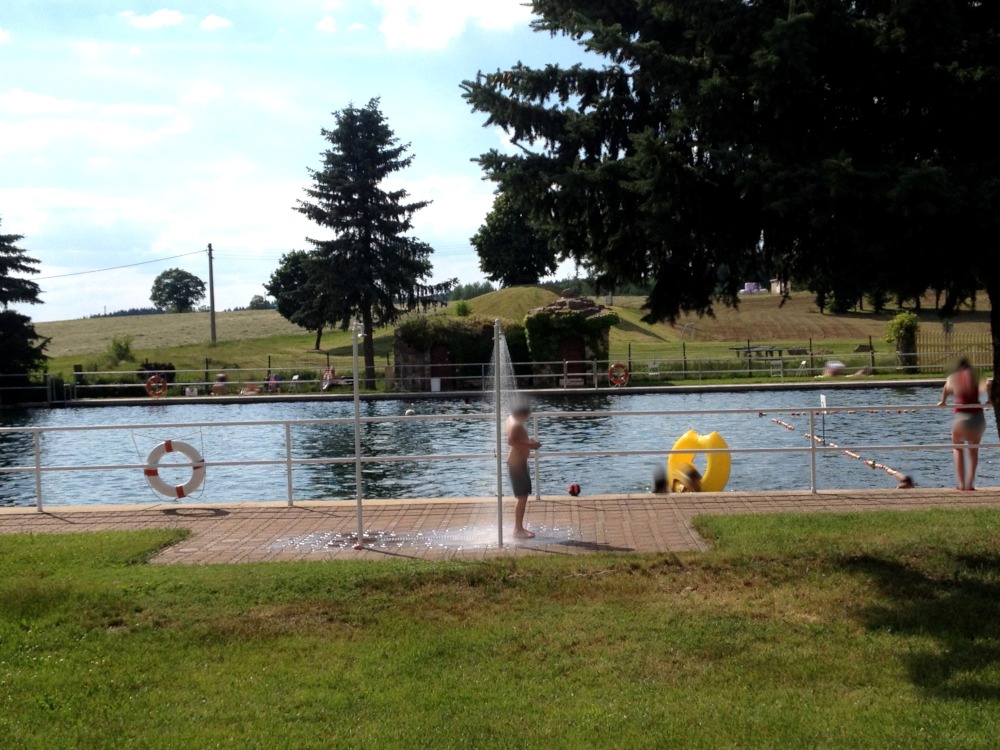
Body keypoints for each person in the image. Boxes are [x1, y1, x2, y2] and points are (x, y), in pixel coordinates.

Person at [938, 358, 990, 491]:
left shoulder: (954, 377)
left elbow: (946, 387)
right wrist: (989, 399)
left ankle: (961, 484)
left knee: (957, 448)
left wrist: (943, 401)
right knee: (973, 450)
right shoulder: (975, 376)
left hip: (962, 418)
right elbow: (988, 383)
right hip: (978, 418)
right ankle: (970, 484)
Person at [506, 401, 541, 539]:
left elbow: (516, 439)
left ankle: (519, 527)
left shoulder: (512, 420)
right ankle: (518, 529)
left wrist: (529, 440)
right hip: (517, 465)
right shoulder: (515, 424)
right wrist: (530, 446)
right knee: (522, 497)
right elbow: (511, 441)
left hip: (518, 464)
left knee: (523, 496)